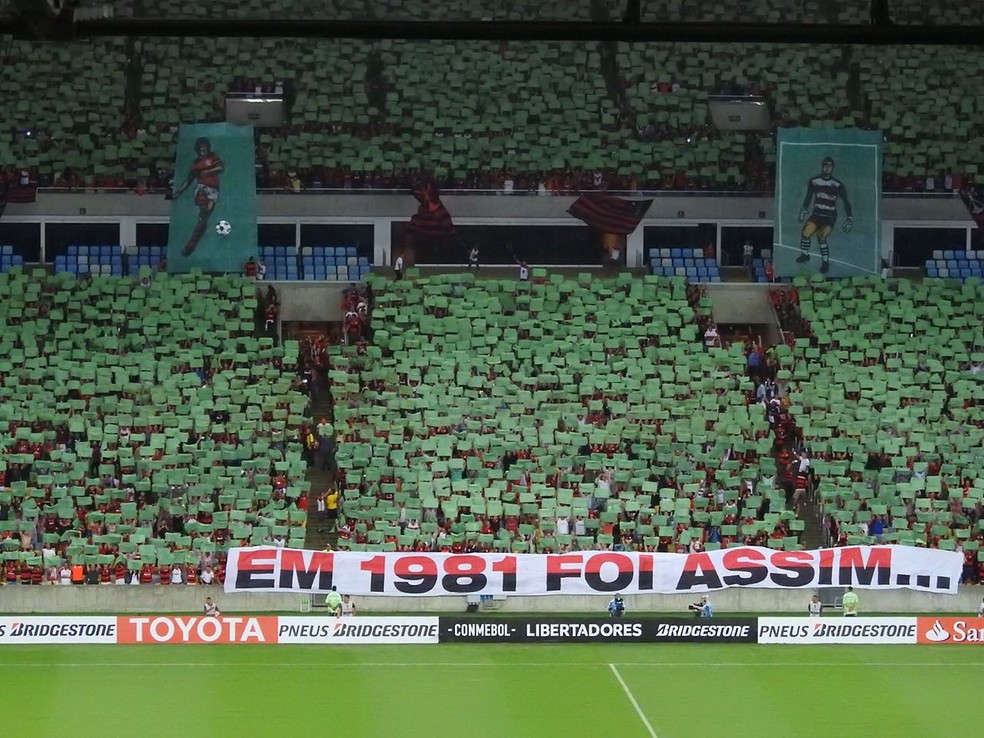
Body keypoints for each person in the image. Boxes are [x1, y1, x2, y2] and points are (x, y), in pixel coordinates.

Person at [796, 156, 853, 275]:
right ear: (822, 166)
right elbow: (808, 197)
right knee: (805, 233)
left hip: (829, 217)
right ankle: (805, 255)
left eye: (830, 165)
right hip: (817, 214)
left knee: (821, 238)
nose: (827, 168)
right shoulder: (814, 181)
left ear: (832, 168)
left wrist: (849, 217)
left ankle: (825, 262)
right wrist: (804, 210)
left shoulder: (837, 184)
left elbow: (846, 201)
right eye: (825, 165)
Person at [171, 136, 224, 257]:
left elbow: (221, 168)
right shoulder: (195, 164)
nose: (203, 151)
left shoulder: (213, 157)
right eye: (201, 149)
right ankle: (203, 206)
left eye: (204, 149)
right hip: (202, 187)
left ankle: (191, 245)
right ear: (197, 149)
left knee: (202, 220)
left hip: (214, 191)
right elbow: (189, 180)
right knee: (201, 195)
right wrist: (178, 192)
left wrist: (209, 171)